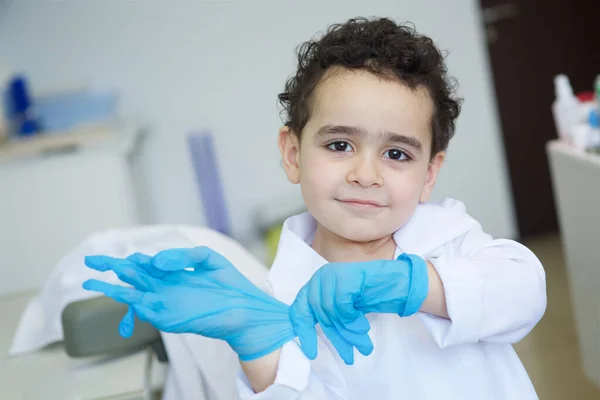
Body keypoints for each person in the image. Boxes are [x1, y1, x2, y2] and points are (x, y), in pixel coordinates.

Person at [83, 17, 547, 399]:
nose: (366, 174)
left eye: (397, 154)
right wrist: (256, 341)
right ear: (293, 154)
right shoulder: (282, 296)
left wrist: (413, 282)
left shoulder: (450, 240)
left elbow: (523, 291)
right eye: (340, 144)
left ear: (429, 173)